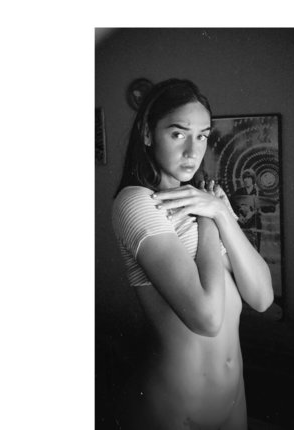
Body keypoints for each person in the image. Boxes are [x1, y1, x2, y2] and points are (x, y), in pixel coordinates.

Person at [112, 78, 273, 429]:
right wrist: (210, 218)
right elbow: (207, 318)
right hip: (176, 411)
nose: (193, 151)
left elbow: (262, 297)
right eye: (178, 133)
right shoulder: (137, 202)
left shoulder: (205, 200)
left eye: (202, 136)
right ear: (147, 133)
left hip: (234, 403)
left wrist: (221, 214)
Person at [232, 169, 263, 251]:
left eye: (249, 178)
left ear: (253, 179)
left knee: (254, 248)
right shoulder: (238, 192)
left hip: (254, 224)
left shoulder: (258, 192)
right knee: (241, 247)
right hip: (241, 223)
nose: (246, 180)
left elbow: (268, 208)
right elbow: (232, 205)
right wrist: (238, 217)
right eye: (245, 178)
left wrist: (254, 212)